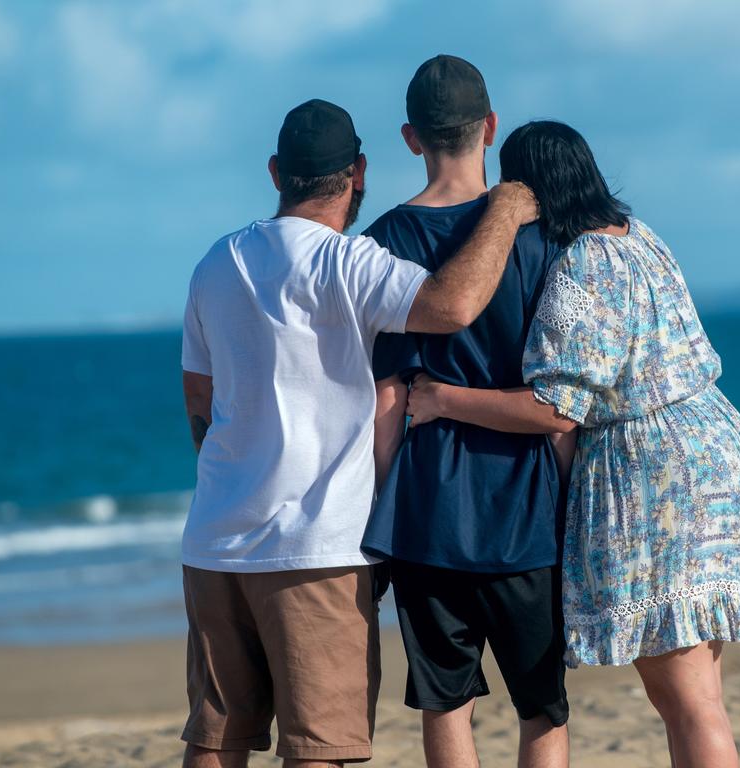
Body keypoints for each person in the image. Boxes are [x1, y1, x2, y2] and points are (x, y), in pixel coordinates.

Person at [404, 120, 740, 768]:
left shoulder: (580, 265)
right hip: (722, 449)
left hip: (661, 474)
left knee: (686, 700)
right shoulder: (642, 238)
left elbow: (554, 408)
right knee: (701, 691)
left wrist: (441, 399)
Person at [178, 98, 537, 768]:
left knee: (216, 736)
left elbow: (199, 395)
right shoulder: (348, 262)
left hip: (214, 541)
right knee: (321, 747)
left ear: (276, 171)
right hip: (315, 547)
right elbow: (453, 306)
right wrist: (507, 211)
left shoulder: (216, 262)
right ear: (358, 173)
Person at [363, 56, 571, 768]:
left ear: (410, 137)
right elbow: (561, 399)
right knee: (541, 708)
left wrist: (377, 517)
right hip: (526, 505)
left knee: (447, 705)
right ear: (490, 127)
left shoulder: (383, 242)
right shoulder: (540, 236)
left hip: (428, 508)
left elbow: (388, 399)